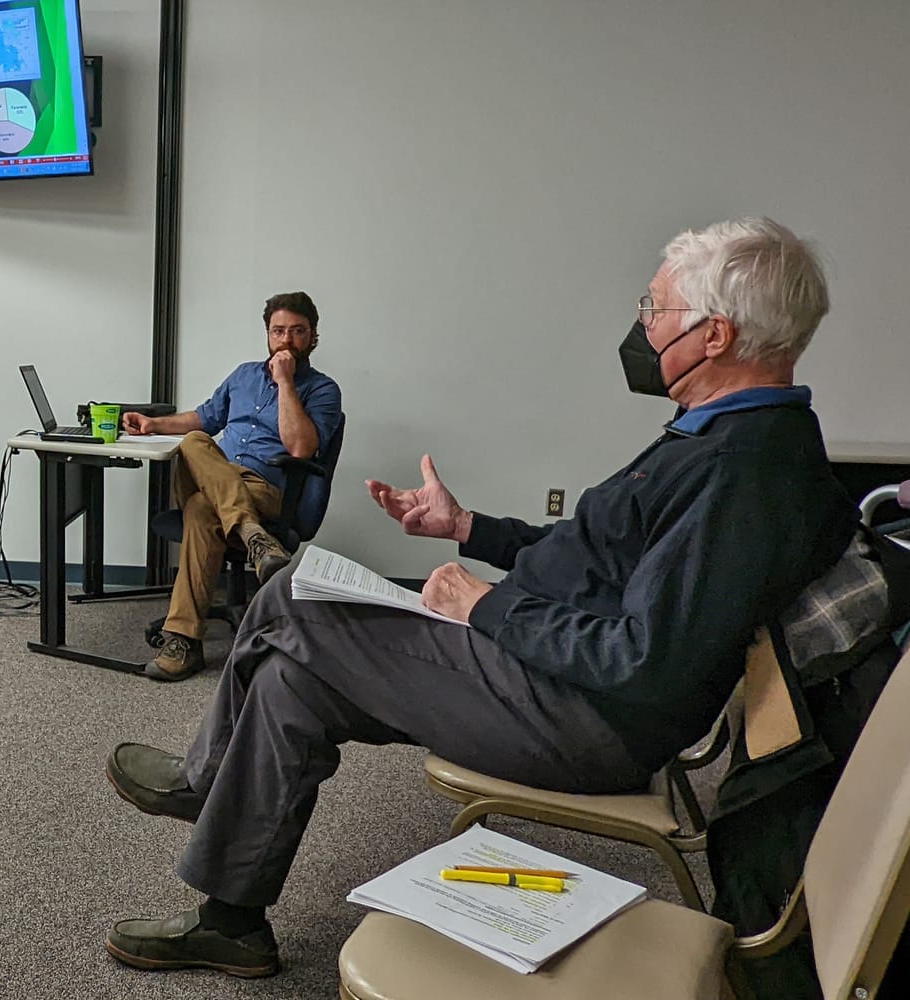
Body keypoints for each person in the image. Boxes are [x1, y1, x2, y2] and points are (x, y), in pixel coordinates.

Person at [100, 217, 857, 978]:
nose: (643, 325)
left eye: (654, 310)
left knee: (294, 596)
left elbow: (644, 660)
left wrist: (483, 606)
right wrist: (466, 527)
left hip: (584, 718)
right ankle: (231, 923)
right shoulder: (718, 437)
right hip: (544, 674)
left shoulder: (744, 473)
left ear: (715, 335)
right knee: (292, 681)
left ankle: (203, 784)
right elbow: (593, 562)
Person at [120, 292, 343, 681]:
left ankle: (184, 643)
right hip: (219, 479)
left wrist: (285, 382)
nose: (286, 340)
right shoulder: (242, 375)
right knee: (193, 441)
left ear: (313, 336)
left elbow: (302, 447)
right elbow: (203, 418)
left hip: (267, 492)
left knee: (203, 511)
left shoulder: (323, 390)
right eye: (278, 331)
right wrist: (153, 425)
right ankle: (252, 536)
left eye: (297, 332)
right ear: (267, 334)